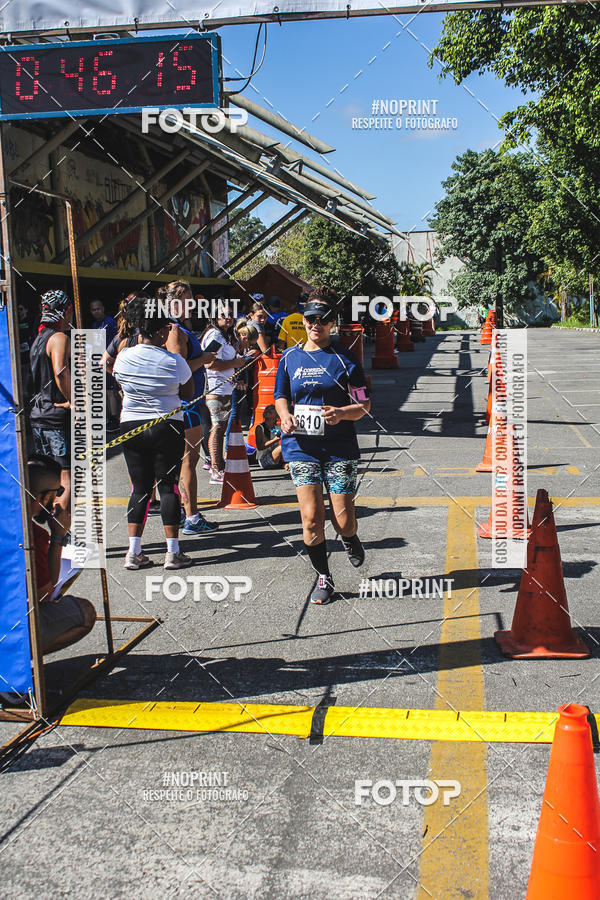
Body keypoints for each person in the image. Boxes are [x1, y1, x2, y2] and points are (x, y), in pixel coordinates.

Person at [274, 288, 370, 605]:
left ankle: (350, 537)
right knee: (311, 517)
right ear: (304, 320)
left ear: (331, 323)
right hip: (301, 447)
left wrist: (342, 413)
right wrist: (285, 415)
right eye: (312, 318)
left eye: (323, 319)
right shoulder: (290, 358)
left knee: (343, 521)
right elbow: (280, 396)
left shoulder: (345, 359)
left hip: (339, 447)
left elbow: (364, 404)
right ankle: (324, 577)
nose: (317, 324)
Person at [113, 297, 194, 570]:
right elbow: (189, 392)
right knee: (168, 486)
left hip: (131, 425)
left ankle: (133, 552)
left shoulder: (123, 356)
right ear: (159, 331)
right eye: (167, 329)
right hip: (166, 425)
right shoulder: (174, 361)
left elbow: (120, 383)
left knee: (139, 488)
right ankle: (173, 552)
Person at [164, 281, 217, 536]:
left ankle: (188, 514)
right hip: (185, 405)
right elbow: (179, 368)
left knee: (187, 461)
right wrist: (204, 359)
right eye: (187, 299)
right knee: (188, 461)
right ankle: (191, 516)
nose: (192, 304)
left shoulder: (180, 327)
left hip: (189, 403)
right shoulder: (174, 329)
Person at [28, 454, 96, 654]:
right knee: (85, 612)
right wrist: (58, 536)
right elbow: (44, 597)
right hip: (11, 624)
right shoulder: (33, 535)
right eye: (57, 492)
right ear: (45, 497)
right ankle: (21, 659)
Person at [29, 289, 73, 516]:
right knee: (65, 479)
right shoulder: (58, 338)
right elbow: (61, 372)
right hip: (55, 417)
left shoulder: (38, 339)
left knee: (48, 478)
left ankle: (51, 532)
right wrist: (74, 401)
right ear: (64, 312)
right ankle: (61, 533)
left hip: (39, 416)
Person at [200, 305, 249, 484]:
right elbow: (209, 364)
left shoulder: (223, 335)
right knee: (218, 428)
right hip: (215, 389)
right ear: (215, 316)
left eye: (230, 315)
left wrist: (234, 379)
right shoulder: (214, 335)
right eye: (223, 315)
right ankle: (216, 469)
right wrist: (235, 362)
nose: (228, 318)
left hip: (225, 388)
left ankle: (219, 465)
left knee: (220, 427)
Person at [255, 404, 284, 470]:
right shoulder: (260, 428)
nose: (269, 410)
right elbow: (259, 447)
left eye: (271, 409)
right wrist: (275, 440)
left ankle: (283, 463)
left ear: (277, 416)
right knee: (281, 448)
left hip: (275, 456)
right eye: (267, 409)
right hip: (264, 460)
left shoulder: (278, 427)